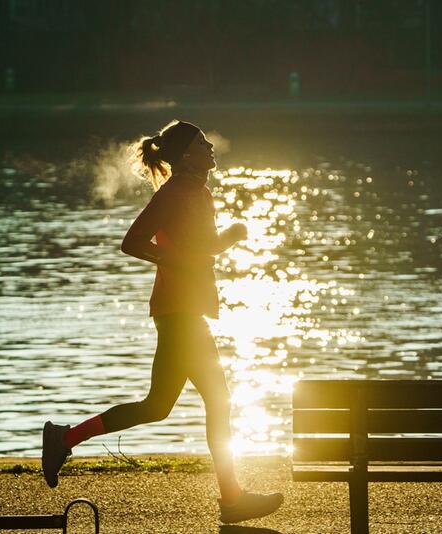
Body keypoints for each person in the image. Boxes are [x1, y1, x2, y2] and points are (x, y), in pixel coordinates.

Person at [41, 120, 284, 524]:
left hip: (186, 311)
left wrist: (226, 239)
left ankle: (64, 437)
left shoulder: (198, 192)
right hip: (179, 312)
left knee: (157, 406)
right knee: (215, 402)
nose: (210, 146)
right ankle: (232, 499)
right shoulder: (175, 193)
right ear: (186, 154)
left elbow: (199, 249)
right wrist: (190, 253)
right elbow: (133, 242)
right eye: (201, 142)